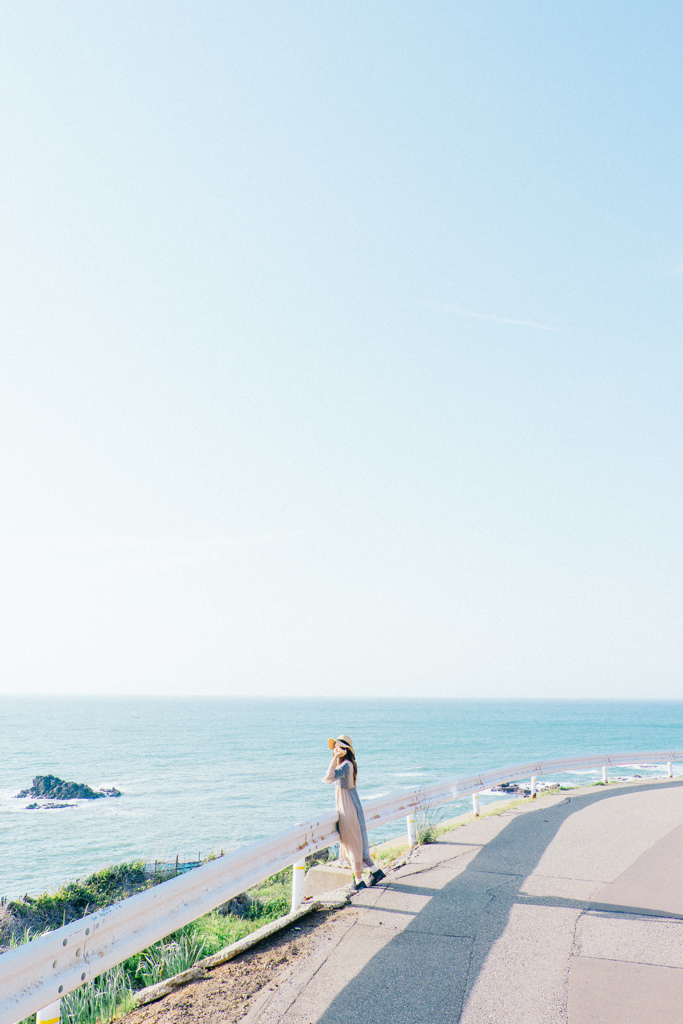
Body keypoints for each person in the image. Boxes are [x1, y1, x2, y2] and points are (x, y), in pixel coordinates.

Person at [323, 734, 385, 890]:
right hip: (350, 802)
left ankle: (359, 881)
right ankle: (374, 872)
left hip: (347, 805)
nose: (335, 750)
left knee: (352, 843)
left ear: (345, 750)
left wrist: (334, 758)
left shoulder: (345, 765)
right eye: (335, 747)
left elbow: (328, 778)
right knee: (354, 841)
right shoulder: (348, 764)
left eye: (338, 747)